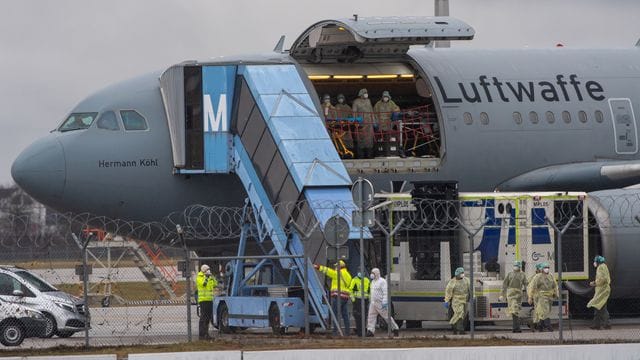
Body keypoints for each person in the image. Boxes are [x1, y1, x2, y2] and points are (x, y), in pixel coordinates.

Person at [315, 260, 352, 336]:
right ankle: (347, 332)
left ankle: (335, 332)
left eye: (336, 266)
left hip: (338, 297)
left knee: (335, 315)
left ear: (339, 266)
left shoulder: (338, 273)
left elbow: (328, 271)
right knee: (345, 315)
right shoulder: (348, 275)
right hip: (345, 297)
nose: (335, 267)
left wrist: (318, 267)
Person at [366, 268, 399, 337]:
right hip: (373, 303)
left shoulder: (382, 281)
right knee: (371, 317)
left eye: (373, 273)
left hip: (380, 303)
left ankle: (395, 328)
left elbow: (385, 292)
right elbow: (372, 293)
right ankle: (370, 331)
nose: (372, 274)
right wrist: (370, 300)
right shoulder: (372, 282)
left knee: (387, 317)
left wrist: (384, 302)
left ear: (377, 273)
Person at [527, 262, 558, 332]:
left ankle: (539, 326)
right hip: (541, 296)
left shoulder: (551, 276)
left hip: (549, 296)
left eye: (547, 267)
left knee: (544, 311)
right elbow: (531, 287)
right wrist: (530, 296)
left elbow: (555, 285)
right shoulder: (537, 277)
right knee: (544, 310)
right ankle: (548, 325)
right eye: (545, 268)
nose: (547, 269)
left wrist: (556, 294)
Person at [500, 260, 528, 333]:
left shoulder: (522, 275)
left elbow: (526, 284)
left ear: (519, 267)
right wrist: (502, 294)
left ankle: (516, 328)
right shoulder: (510, 274)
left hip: (519, 294)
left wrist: (529, 294)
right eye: (515, 266)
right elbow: (504, 284)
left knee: (516, 311)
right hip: (511, 294)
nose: (516, 267)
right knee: (514, 310)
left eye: (517, 266)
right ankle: (516, 328)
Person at [373, 91, 401, 155]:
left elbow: (397, 109)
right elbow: (375, 113)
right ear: (382, 97)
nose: (385, 98)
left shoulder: (391, 103)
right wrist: (376, 122)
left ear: (388, 97)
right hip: (380, 123)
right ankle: (380, 151)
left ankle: (388, 151)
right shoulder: (378, 104)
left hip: (388, 123)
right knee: (380, 138)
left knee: (388, 137)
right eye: (384, 97)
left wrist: (394, 114)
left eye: (386, 97)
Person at [444, 267, 470, 335]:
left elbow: (471, 289)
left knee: (462, 315)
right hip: (456, 301)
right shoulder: (452, 282)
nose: (462, 274)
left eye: (463, 273)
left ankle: (455, 329)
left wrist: (472, 297)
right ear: (457, 274)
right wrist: (447, 300)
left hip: (465, 300)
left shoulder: (467, 280)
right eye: (461, 273)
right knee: (459, 314)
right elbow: (448, 291)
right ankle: (461, 330)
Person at [587, 255, 611, 330]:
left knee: (601, 307)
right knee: (598, 306)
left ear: (597, 262)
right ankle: (597, 324)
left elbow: (602, 279)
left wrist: (594, 283)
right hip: (604, 290)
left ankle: (606, 324)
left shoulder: (600, 267)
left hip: (602, 290)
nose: (594, 263)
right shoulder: (604, 266)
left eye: (595, 261)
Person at [351, 88, 376, 159]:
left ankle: (370, 156)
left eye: (366, 93)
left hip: (369, 124)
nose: (366, 94)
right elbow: (354, 112)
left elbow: (371, 112)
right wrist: (355, 121)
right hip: (360, 124)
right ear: (361, 94)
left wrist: (374, 122)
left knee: (369, 141)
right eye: (365, 93)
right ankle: (360, 156)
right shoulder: (356, 102)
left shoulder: (368, 101)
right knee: (360, 141)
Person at [196, 264, 217, 340]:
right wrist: (207, 277)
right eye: (207, 269)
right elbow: (204, 284)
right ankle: (201, 335)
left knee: (208, 318)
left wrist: (212, 277)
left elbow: (215, 284)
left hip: (209, 300)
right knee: (203, 318)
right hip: (203, 300)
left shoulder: (209, 277)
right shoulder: (199, 277)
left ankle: (206, 334)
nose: (208, 270)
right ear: (204, 270)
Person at [349, 272, 370, 336]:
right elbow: (350, 290)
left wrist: (369, 299)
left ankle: (363, 331)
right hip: (357, 300)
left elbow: (369, 290)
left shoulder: (367, 280)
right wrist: (353, 300)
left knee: (364, 316)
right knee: (358, 316)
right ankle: (359, 332)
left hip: (365, 300)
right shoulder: (354, 280)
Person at [527, 263, 543, 331]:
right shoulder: (534, 277)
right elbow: (530, 287)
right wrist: (530, 297)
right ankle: (536, 324)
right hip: (537, 296)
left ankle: (536, 325)